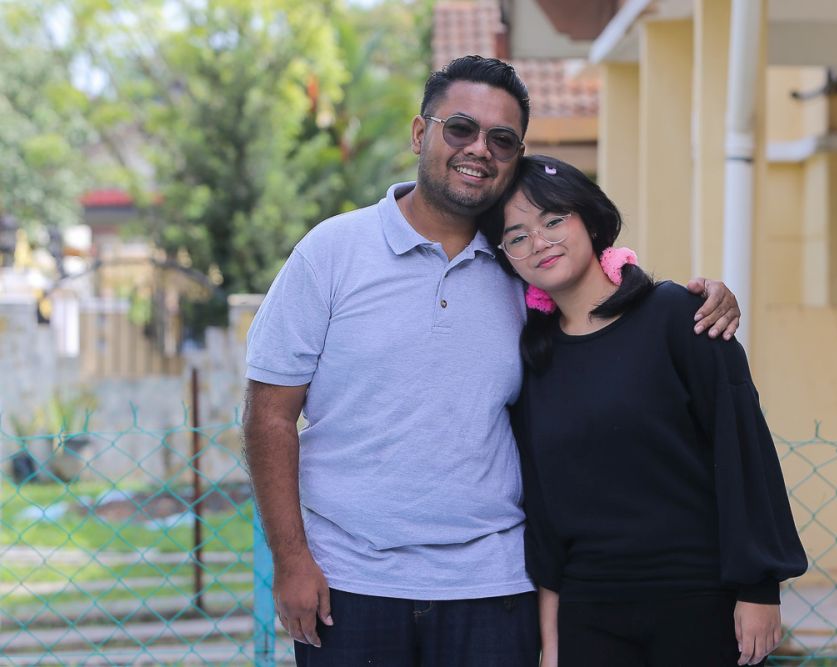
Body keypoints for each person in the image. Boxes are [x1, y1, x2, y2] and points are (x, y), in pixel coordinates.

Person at [242, 56, 742, 667]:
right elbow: (268, 415)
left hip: (494, 587)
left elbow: (604, 307)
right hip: (349, 584)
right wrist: (292, 561)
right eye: (461, 128)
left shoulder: (522, 266)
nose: (479, 149)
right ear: (421, 133)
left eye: (501, 139)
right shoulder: (331, 251)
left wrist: (702, 296)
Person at [478, 155, 807, 667]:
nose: (539, 242)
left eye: (553, 219)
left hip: (698, 598)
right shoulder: (533, 361)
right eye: (516, 236)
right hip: (590, 610)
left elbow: (741, 446)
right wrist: (552, 643)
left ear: (588, 218)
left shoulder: (678, 315)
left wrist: (759, 587)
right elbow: (542, 510)